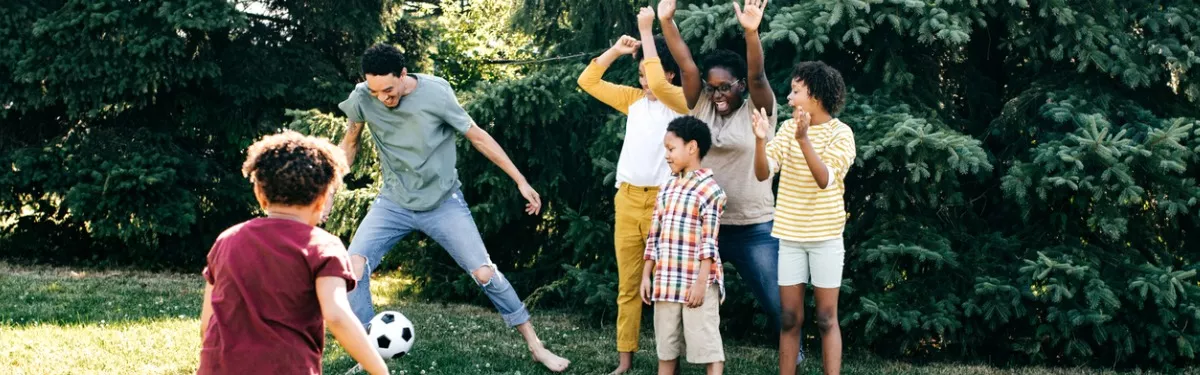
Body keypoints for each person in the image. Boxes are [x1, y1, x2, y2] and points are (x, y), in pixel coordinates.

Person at [334, 43, 569, 372]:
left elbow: (478, 136)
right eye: (376, 92)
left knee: (485, 273)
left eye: (388, 90)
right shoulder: (363, 97)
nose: (383, 98)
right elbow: (351, 142)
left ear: (403, 75)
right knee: (353, 268)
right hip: (394, 202)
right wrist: (330, 187)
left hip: (443, 203)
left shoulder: (436, 93)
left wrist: (520, 180)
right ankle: (371, 353)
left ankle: (536, 345)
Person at [654, 0, 796, 350]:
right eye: (712, 86)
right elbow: (686, 66)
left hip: (753, 227)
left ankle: (796, 352)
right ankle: (691, 354)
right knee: (686, 295)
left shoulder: (759, 108)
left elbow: (758, 74)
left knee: (779, 306)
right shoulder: (701, 101)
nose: (717, 94)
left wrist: (751, 32)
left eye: (725, 87)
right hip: (703, 226)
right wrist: (666, 20)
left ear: (741, 86)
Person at [198, 131, 388, 375]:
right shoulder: (323, 247)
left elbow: (207, 324)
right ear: (322, 199)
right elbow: (337, 315)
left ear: (259, 194)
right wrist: (380, 370)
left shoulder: (227, 240)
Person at [576, 7, 689, 374]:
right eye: (639, 74)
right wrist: (616, 51)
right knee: (628, 286)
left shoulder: (681, 106)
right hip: (628, 200)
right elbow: (588, 81)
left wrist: (647, 31)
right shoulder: (633, 102)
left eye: (649, 73)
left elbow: (658, 84)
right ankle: (625, 360)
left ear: (668, 73)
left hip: (663, 201)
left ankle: (668, 358)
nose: (644, 81)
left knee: (666, 286)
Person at [751, 61, 855, 375]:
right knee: (789, 318)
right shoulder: (785, 130)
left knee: (826, 318)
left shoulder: (841, 134)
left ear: (816, 96)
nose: (789, 97)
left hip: (825, 238)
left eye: (796, 91)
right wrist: (759, 140)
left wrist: (804, 139)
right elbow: (762, 172)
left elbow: (824, 178)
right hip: (791, 237)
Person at [641, 115, 727, 375]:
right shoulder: (666, 186)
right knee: (666, 348)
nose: (666, 155)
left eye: (671, 149)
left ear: (692, 147)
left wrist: (701, 283)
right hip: (666, 280)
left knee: (707, 345)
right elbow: (654, 233)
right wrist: (647, 274)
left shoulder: (710, 190)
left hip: (695, 282)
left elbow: (709, 242)